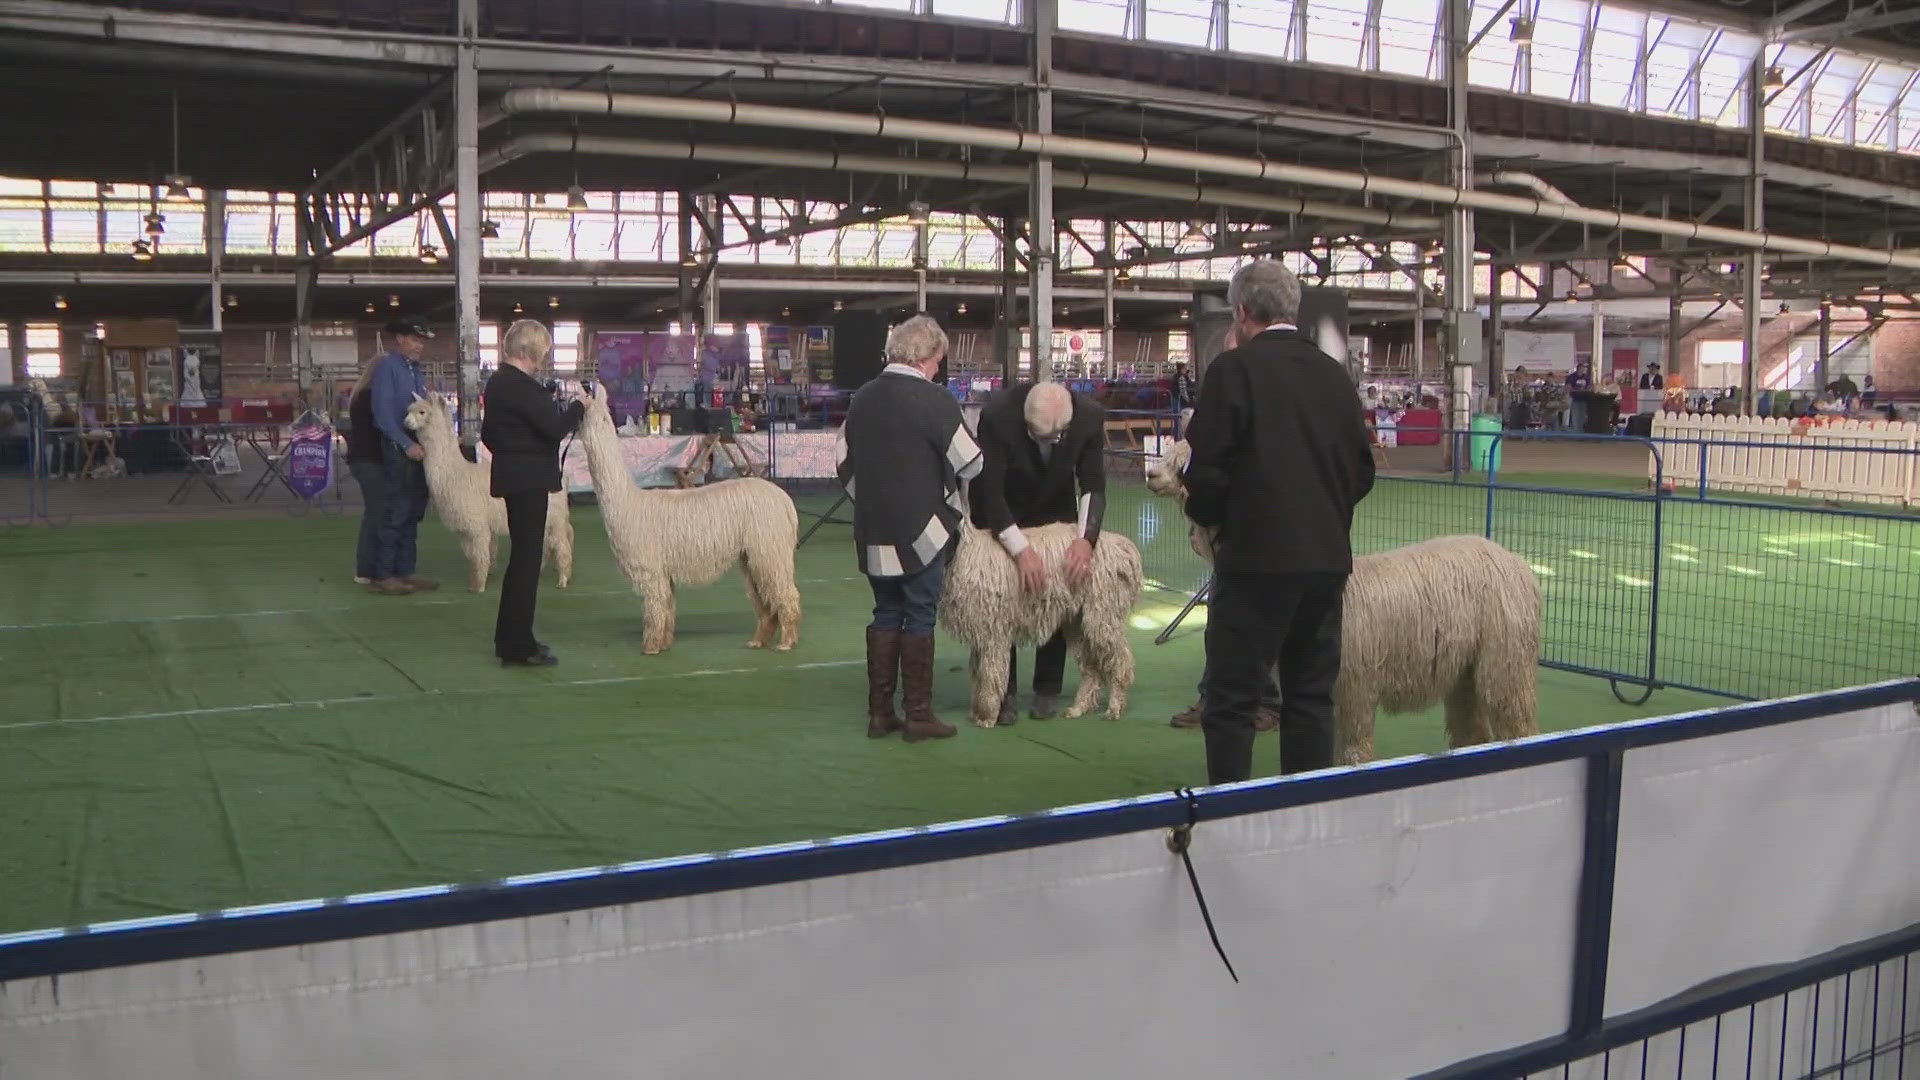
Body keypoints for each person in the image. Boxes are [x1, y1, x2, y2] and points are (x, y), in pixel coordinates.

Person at [1183, 259, 1375, 785]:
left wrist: (1213, 521)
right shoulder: (1335, 376)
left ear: (1241, 313)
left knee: (1231, 699)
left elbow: (1207, 473)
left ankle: (1231, 807)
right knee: (1311, 695)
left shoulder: (1232, 371)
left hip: (1253, 563)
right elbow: (1362, 471)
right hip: (1326, 563)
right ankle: (1305, 805)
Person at [836, 314, 982, 742]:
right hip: (924, 532)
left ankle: (880, 714)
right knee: (919, 614)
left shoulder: (861, 398)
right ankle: (918, 714)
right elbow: (972, 461)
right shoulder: (935, 400)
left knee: (885, 612)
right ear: (924, 358)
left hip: (873, 530)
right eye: (938, 361)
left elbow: (843, 462)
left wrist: (873, 501)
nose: (939, 369)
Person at [969, 380, 1106, 724]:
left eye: (1051, 439)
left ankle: (1047, 687)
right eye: (1035, 435)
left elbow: (1092, 483)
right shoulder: (997, 416)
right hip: (1001, 510)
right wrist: (1020, 550)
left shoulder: (1089, 417)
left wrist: (1085, 539)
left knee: (1056, 594)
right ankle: (1003, 692)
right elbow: (990, 492)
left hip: (1055, 511)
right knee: (998, 603)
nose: (1044, 443)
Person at [481, 319, 585, 668]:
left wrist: (513, 451)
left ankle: (513, 638)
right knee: (527, 562)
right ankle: (517, 646)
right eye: (542, 348)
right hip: (529, 480)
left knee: (522, 560)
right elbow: (554, 428)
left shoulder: (497, 384)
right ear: (530, 350)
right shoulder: (521, 386)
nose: (544, 356)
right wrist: (579, 407)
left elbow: (488, 435)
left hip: (513, 477)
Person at [367, 316, 438, 596]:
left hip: (416, 449)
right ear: (399, 339)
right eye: (414, 339)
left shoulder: (415, 371)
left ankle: (406, 570)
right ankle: (384, 574)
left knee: (412, 512)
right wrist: (404, 443)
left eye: (421, 341)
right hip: (399, 449)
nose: (419, 345)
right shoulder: (388, 368)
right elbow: (383, 414)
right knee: (396, 510)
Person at [342, 357, 387, 586]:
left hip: (362, 459)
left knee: (375, 512)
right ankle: (367, 568)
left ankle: (370, 566)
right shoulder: (371, 397)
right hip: (369, 460)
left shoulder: (360, 395)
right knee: (377, 513)